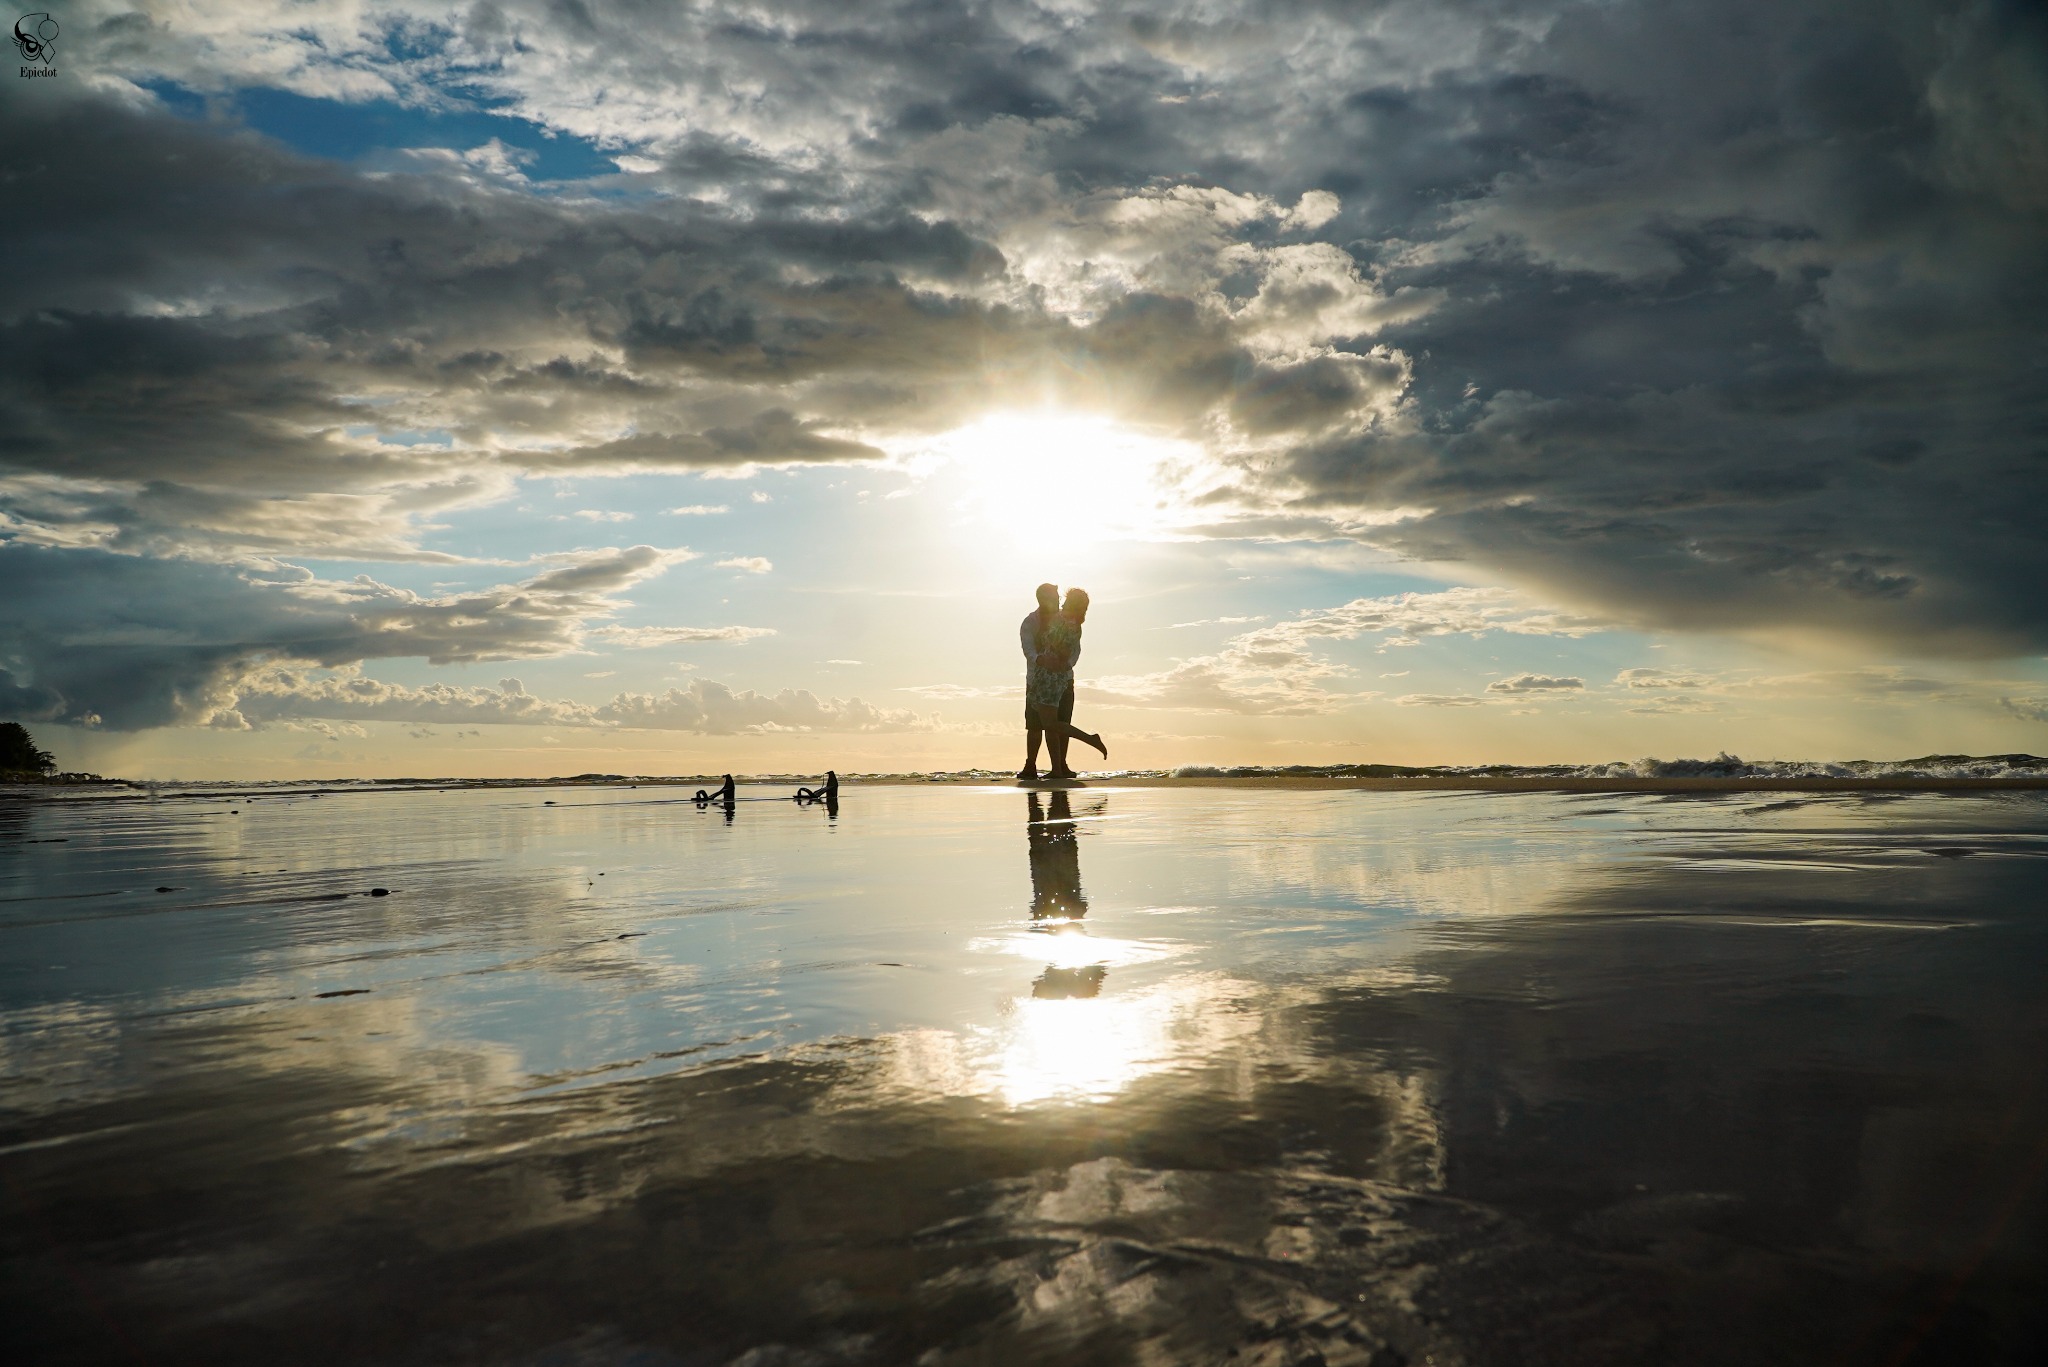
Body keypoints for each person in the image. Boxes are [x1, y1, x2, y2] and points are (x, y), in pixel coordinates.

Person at [1028, 587, 1108, 780]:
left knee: (1050, 723)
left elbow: (1060, 647)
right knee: (1051, 722)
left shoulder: (1064, 620)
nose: (1061, 602)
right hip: (1055, 675)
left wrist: (1051, 645)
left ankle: (1090, 740)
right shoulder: (1076, 622)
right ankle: (1057, 769)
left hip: (1050, 676)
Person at [1018, 583, 1064, 781]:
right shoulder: (1030, 621)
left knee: (1058, 724)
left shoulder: (1064, 621)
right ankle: (1031, 765)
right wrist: (1040, 659)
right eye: (1054, 597)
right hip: (1036, 679)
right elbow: (1027, 649)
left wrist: (1066, 663)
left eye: (1057, 596)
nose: (1058, 600)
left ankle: (1059, 767)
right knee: (1035, 725)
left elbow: (1074, 647)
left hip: (1060, 680)